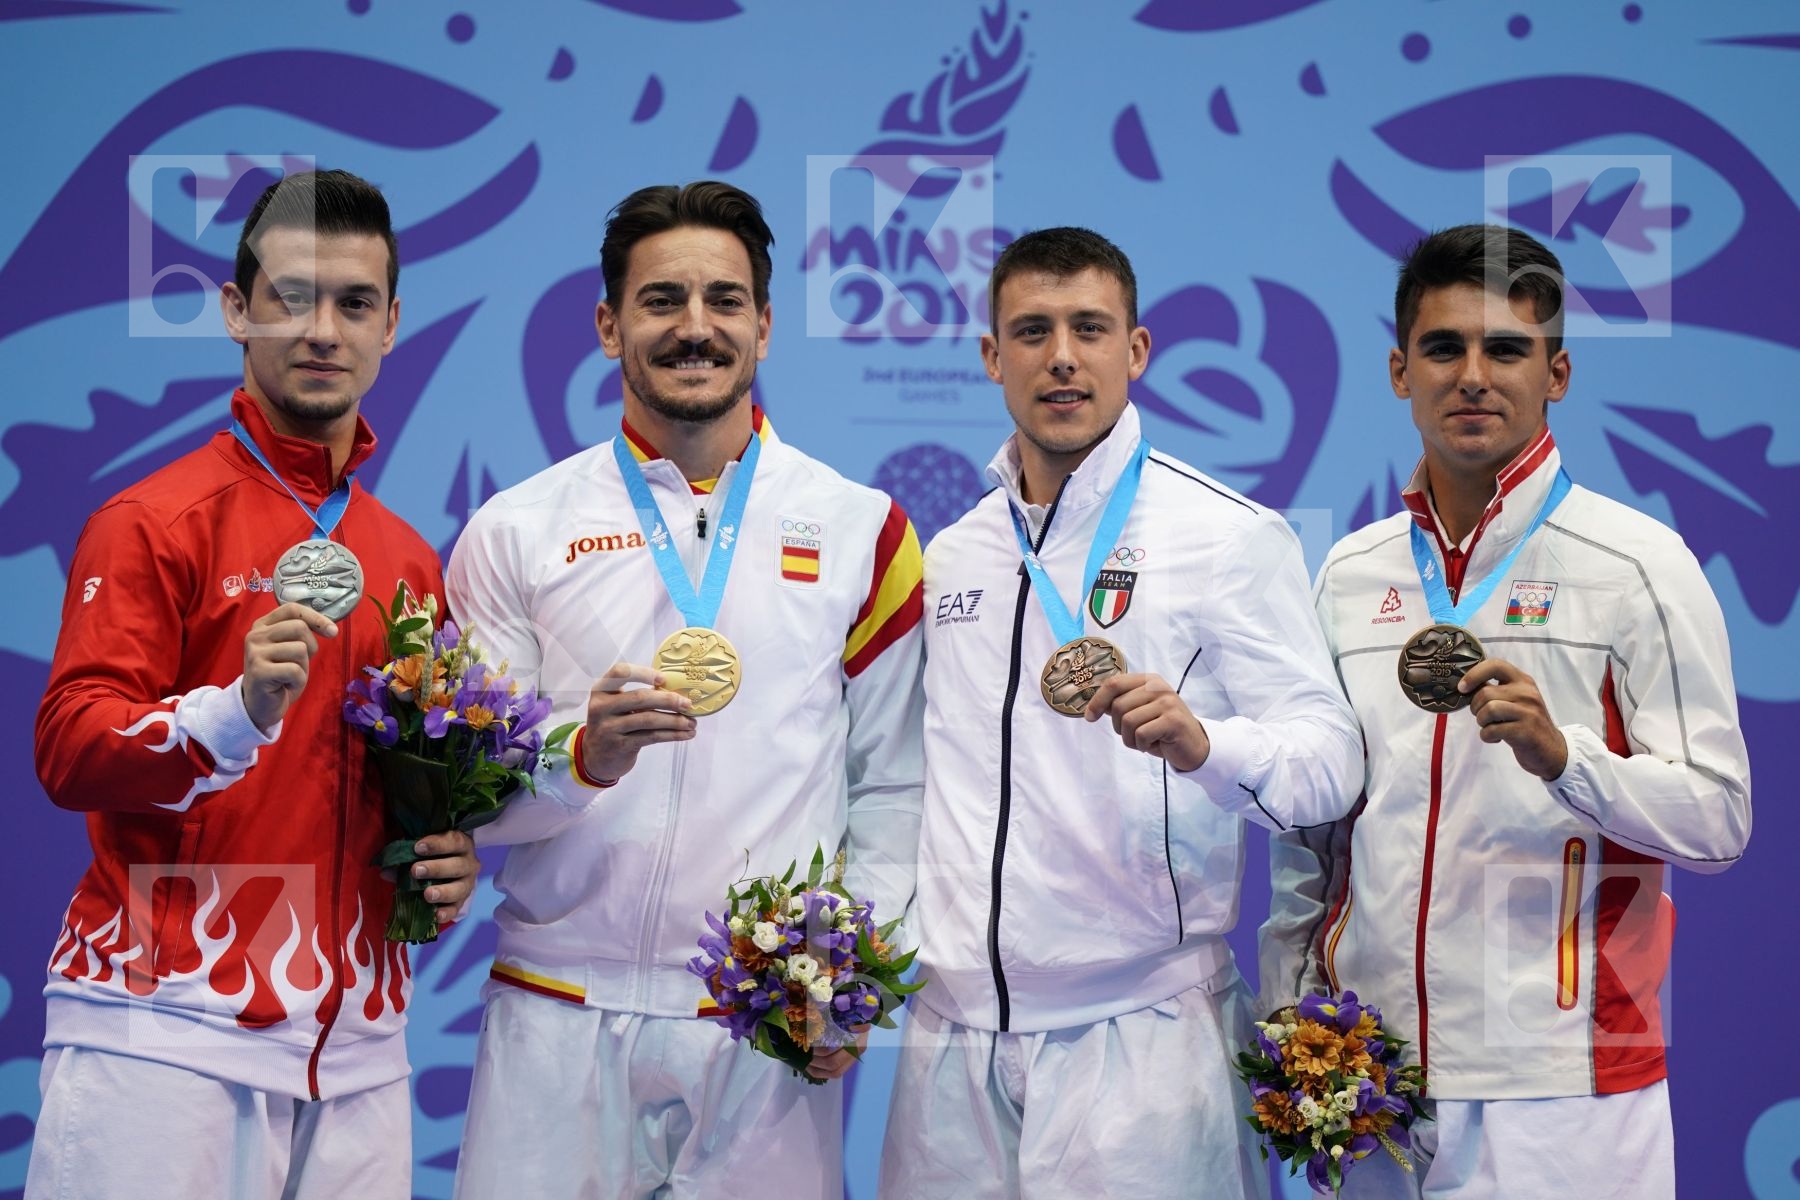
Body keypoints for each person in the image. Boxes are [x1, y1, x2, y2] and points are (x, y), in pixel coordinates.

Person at [446, 180, 925, 1200]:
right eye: (662, 301)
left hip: (762, 1025)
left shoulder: (861, 529)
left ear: (763, 322)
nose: (694, 327)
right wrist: (584, 757)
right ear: (610, 323)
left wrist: (852, 975)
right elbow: (470, 799)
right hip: (555, 1012)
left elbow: (898, 787)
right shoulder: (514, 530)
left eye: (723, 300)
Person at [1259, 224, 1752, 1197]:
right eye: (1444, 348)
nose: (1473, 375)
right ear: (1401, 371)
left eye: (1507, 349)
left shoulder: (1638, 565)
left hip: (1568, 1085)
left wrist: (1567, 758)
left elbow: (1720, 820)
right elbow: (1317, 833)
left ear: (1556, 372)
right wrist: (1291, 1015)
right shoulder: (1347, 576)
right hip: (1371, 1078)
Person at [878, 227, 1362, 1199]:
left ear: (1135, 351)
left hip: (1139, 1042)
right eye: (1033, 330)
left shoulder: (1226, 536)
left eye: (1090, 328)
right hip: (950, 1044)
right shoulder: (959, 553)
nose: (1062, 355)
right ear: (992, 356)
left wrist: (1206, 745)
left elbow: (1331, 764)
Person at [28, 169, 477, 1200]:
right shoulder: (151, 519)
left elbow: (400, 782)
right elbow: (69, 744)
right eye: (292, 296)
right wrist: (236, 712)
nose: (324, 328)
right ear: (237, 311)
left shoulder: (406, 557)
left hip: (361, 1052)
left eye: (355, 303)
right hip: (164, 1034)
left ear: (392, 326)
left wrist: (444, 855)